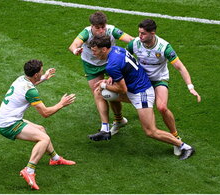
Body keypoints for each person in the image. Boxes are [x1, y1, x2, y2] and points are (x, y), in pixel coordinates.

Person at [88, 35, 195, 160]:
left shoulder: (112, 65)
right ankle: (107, 127)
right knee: (100, 93)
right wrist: (108, 82)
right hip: (135, 87)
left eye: (95, 50)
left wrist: (103, 84)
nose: (93, 53)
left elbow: (122, 89)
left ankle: (184, 146)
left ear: (105, 49)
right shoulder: (117, 49)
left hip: (141, 93)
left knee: (150, 131)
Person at [0, 59, 76, 190]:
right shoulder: (30, 91)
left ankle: (55, 158)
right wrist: (61, 103)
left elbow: (32, 85)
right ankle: (29, 170)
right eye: (41, 71)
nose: (42, 72)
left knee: (40, 129)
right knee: (44, 139)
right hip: (9, 125)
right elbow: (45, 113)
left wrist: (44, 78)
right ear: (35, 75)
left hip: (7, 119)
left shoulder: (21, 79)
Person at [126, 19, 201, 155]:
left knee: (161, 107)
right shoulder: (135, 44)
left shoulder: (164, 47)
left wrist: (190, 87)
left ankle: (175, 137)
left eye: (143, 33)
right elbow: (125, 60)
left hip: (159, 79)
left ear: (152, 33)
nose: (140, 36)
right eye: (139, 33)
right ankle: (118, 120)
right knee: (112, 94)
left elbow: (180, 67)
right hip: (142, 80)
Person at [69, 11, 134, 135]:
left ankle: (118, 119)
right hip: (91, 65)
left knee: (112, 91)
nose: (101, 30)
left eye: (103, 27)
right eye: (97, 28)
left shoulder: (111, 30)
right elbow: (74, 45)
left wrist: (132, 49)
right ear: (92, 26)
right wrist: (76, 50)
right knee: (98, 92)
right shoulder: (86, 33)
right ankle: (106, 126)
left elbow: (130, 40)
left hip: (109, 62)